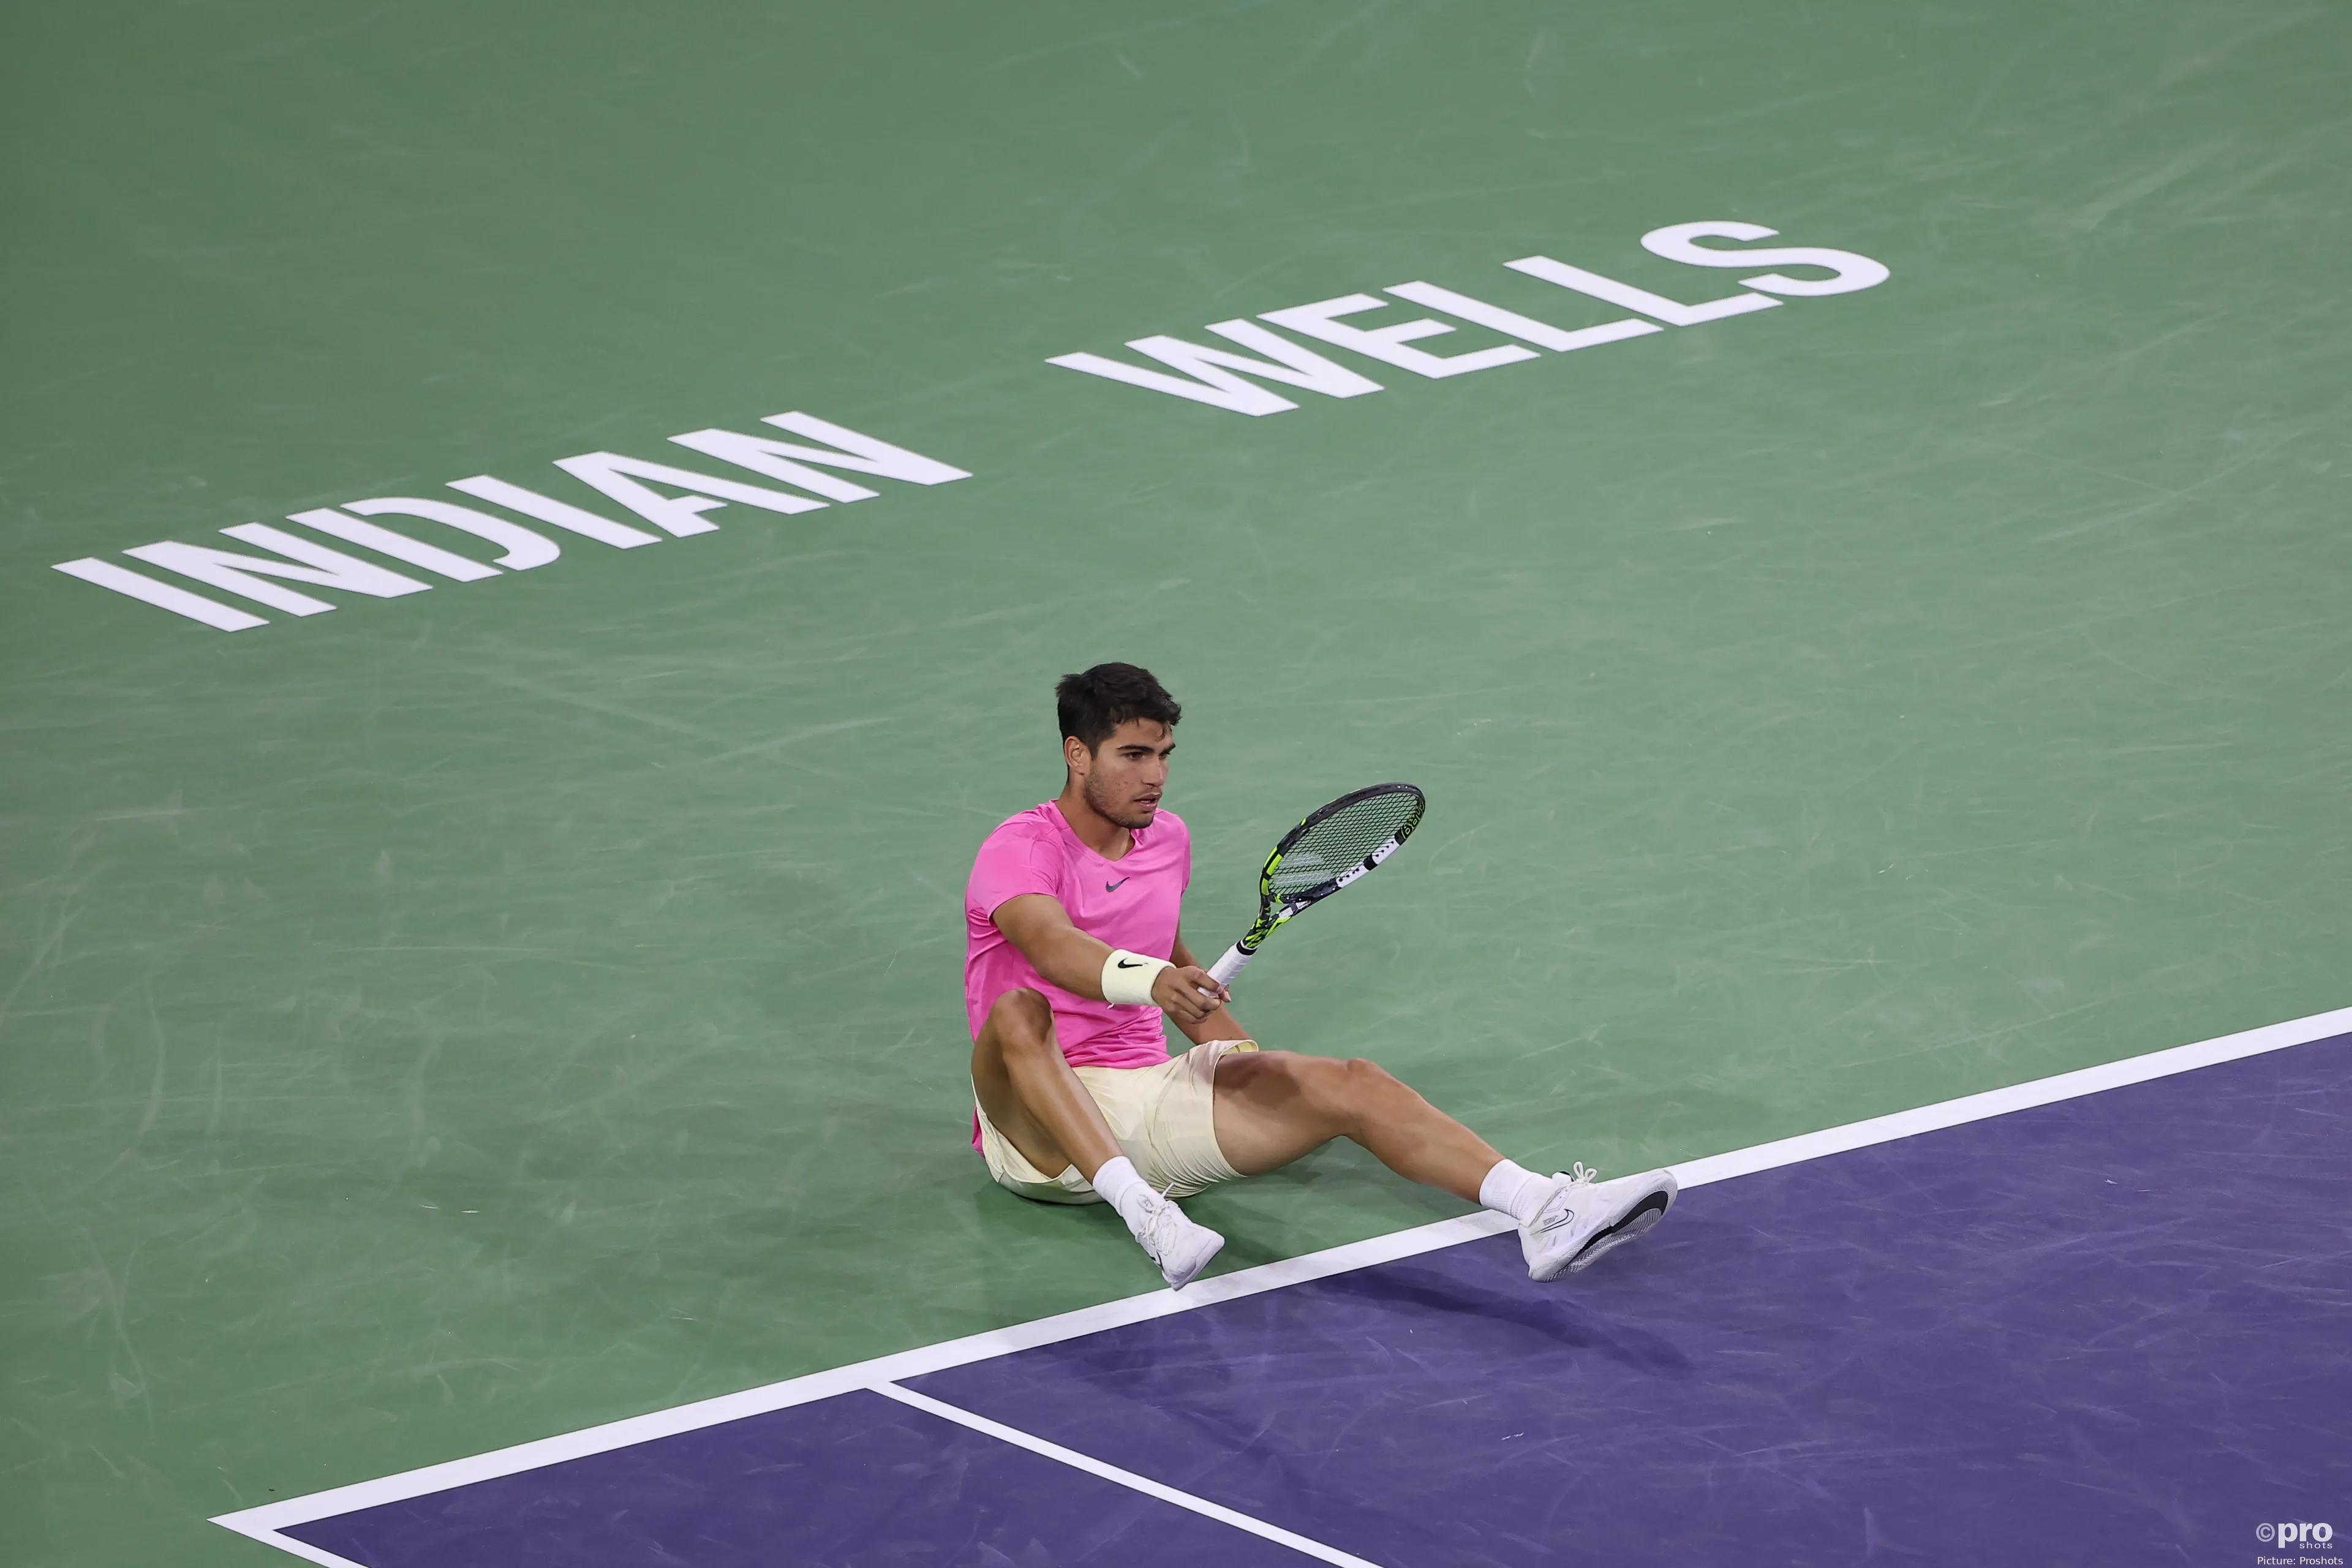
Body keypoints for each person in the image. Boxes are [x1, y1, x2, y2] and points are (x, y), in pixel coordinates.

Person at [965, 662, 1678, 1289]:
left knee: (1351, 1082)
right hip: (1035, 1132)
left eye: (1164, 754)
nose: (1155, 775)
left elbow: (1173, 966)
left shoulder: (1167, 839)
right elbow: (1053, 945)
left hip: (1145, 1103)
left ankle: (1544, 1210)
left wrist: (1251, 1067)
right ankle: (1146, 1215)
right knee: (1019, 1011)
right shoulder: (1021, 847)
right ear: (1078, 754)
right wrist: (1152, 980)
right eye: (1133, 755)